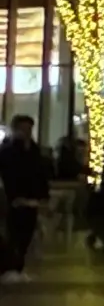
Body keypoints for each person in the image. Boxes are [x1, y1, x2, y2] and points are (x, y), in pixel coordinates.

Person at [1, 114, 55, 281]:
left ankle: (18, 266)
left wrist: (43, 196)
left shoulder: (34, 150)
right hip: (14, 199)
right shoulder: (8, 151)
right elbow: (8, 175)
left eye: (29, 129)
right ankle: (11, 267)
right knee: (14, 233)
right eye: (23, 129)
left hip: (32, 199)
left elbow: (41, 175)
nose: (26, 132)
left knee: (27, 233)